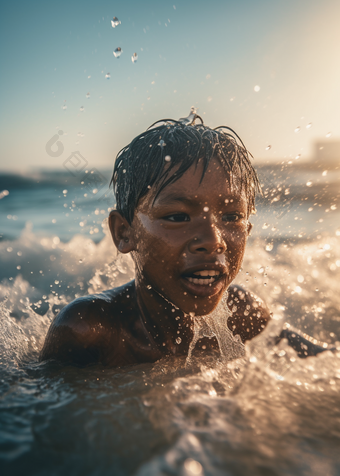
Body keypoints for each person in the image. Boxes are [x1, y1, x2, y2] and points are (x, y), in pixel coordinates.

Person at [39, 110, 328, 366]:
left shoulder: (242, 315)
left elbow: (326, 362)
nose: (214, 240)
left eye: (231, 217)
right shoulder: (91, 329)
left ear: (248, 230)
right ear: (124, 233)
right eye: (178, 217)